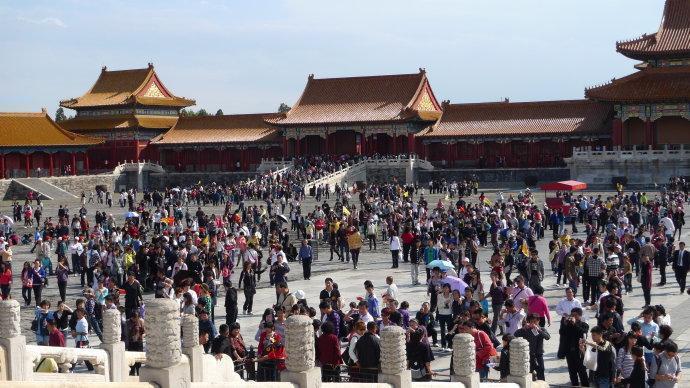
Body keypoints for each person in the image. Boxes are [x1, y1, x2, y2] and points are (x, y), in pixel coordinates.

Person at [514, 313, 550, 381]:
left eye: (535, 321)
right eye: (531, 322)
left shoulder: (541, 329)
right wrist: (523, 328)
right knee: (529, 372)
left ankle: (541, 383)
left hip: (539, 354)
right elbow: (515, 334)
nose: (533, 323)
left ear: (538, 321)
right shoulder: (526, 330)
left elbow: (547, 337)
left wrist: (539, 330)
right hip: (529, 355)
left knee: (541, 370)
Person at [559, 307, 589, 386]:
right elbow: (561, 332)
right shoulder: (568, 325)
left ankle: (585, 385)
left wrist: (574, 324)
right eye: (572, 315)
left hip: (579, 351)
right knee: (572, 372)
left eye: (575, 315)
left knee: (582, 371)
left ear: (580, 316)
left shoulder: (584, 325)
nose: (573, 317)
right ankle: (574, 385)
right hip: (569, 352)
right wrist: (564, 324)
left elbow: (582, 333)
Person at [126, 311, 145, 376]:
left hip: (139, 342)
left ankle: (139, 373)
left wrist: (141, 336)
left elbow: (144, 332)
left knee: (138, 359)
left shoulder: (141, 321)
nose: (134, 320)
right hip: (131, 343)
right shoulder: (128, 322)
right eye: (133, 318)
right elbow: (126, 333)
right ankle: (132, 372)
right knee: (131, 359)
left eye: (136, 318)